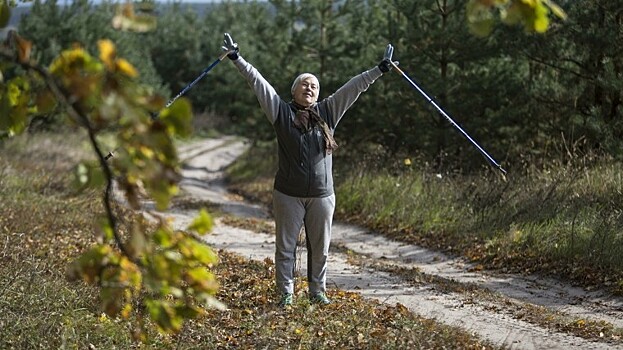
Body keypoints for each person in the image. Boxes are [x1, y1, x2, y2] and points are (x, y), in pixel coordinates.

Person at [221, 33, 396, 307]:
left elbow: (353, 89)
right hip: (288, 194)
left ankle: (317, 292)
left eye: (314, 85)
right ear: (294, 91)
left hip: (322, 195)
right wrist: (237, 58)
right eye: (304, 84)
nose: (309, 88)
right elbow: (259, 84)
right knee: (286, 247)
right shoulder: (281, 113)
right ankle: (286, 293)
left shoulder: (328, 112)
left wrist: (379, 70)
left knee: (321, 249)